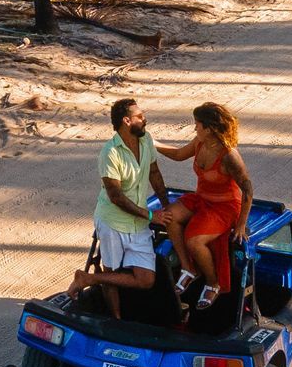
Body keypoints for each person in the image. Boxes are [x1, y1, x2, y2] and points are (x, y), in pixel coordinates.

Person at [68, 98, 169, 318]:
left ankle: (88, 278)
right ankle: (116, 319)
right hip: (113, 221)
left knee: (146, 279)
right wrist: (151, 215)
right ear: (126, 121)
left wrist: (166, 205)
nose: (145, 120)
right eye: (140, 116)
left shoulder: (146, 140)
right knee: (111, 270)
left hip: (138, 222)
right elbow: (115, 196)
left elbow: (154, 174)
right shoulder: (110, 152)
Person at [156, 102, 255, 312]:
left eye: (197, 125)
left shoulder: (230, 156)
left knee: (194, 240)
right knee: (168, 216)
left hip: (224, 207)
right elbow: (178, 154)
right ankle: (189, 268)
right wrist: (152, 143)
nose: (195, 129)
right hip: (201, 199)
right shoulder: (200, 142)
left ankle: (213, 283)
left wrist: (241, 224)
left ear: (209, 129)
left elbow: (247, 190)